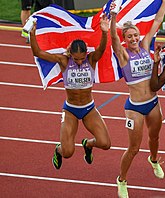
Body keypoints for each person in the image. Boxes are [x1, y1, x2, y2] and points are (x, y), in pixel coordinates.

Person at [29, 13, 111, 170]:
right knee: (68, 152)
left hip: (89, 108)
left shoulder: (91, 59)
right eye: (76, 59)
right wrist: (33, 34)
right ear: (71, 54)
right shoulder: (64, 61)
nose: (79, 62)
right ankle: (58, 150)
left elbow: (102, 48)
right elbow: (38, 53)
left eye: (81, 58)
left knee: (105, 143)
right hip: (71, 109)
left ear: (86, 54)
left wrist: (105, 31)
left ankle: (88, 144)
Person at [109, 0, 165, 197]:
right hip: (135, 107)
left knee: (155, 137)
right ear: (125, 39)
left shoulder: (145, 45)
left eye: (135, 35)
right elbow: (113, 40)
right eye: (129, 36)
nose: (134, 38)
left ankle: (153, 159)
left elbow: (158, 19)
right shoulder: (123, 55)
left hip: (153, 103)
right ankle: (122, 180)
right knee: (133, 148)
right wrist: (114, 16)